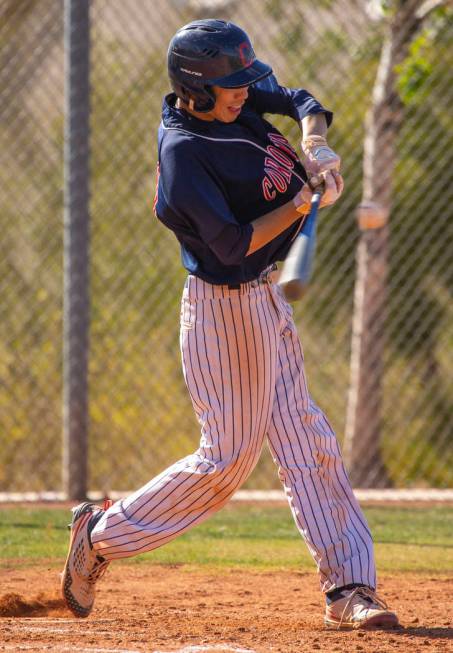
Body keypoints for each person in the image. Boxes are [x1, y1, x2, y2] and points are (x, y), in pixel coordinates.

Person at [61, 19, 399, 630]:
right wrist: (299, 203)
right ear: (195, 90)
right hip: (227, 307)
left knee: (306, 438)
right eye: (231, 86)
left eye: (245, 81)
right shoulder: (185, 154)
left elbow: (300, 102)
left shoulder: (235, 97)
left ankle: (350, 585)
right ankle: (102, 533)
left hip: (268, 300)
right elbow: (236, 245)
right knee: (227, 462)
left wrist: (316, 145)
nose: (245, 92)